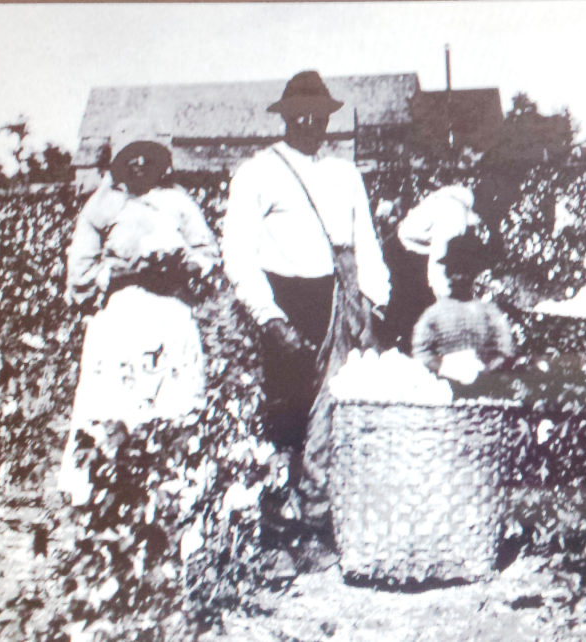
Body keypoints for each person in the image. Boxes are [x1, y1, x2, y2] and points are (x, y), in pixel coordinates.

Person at [220, 71, 390, 519]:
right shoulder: (257, 172)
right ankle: (278, 513)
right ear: (287, 118)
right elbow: (237, 251)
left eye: (319, 116)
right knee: (284, 406)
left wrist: (372, 303)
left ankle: (318, 507)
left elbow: (365, 242)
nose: (311, 124)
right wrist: (268, 316)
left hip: (334, 296)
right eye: (302, 116)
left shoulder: (344, 173)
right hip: (282, 296)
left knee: (333, 401)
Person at [57, 124, 220, 506]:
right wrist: (130, 270)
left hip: (171, 314)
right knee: (115, 401)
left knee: (174, 401)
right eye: (133, 156)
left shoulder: (178, 203)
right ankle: (107, 490)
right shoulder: (100, 207)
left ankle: (170, 492)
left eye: (149, 155)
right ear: (119, 162)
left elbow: (208, 253)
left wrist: (182, 265)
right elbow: (79, 277)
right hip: (122, 318)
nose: (141, 163)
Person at [412, 232, 514, 399]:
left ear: (474, 274)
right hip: (443, 391)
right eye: (454, 270)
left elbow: (503, 350)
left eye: (465, 271)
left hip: (484, 392)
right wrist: (444, 368)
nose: (459, 277)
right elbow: (422, 353)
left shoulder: (489, 314)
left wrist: (485, 370)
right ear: (448, 273)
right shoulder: (434, 315)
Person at [388, 184, 482, 350]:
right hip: (402, 252)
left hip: (409, 250)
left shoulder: (453, 205)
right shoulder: (455, 214)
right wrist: (443, 296)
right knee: (411, 312)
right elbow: (439, 260)